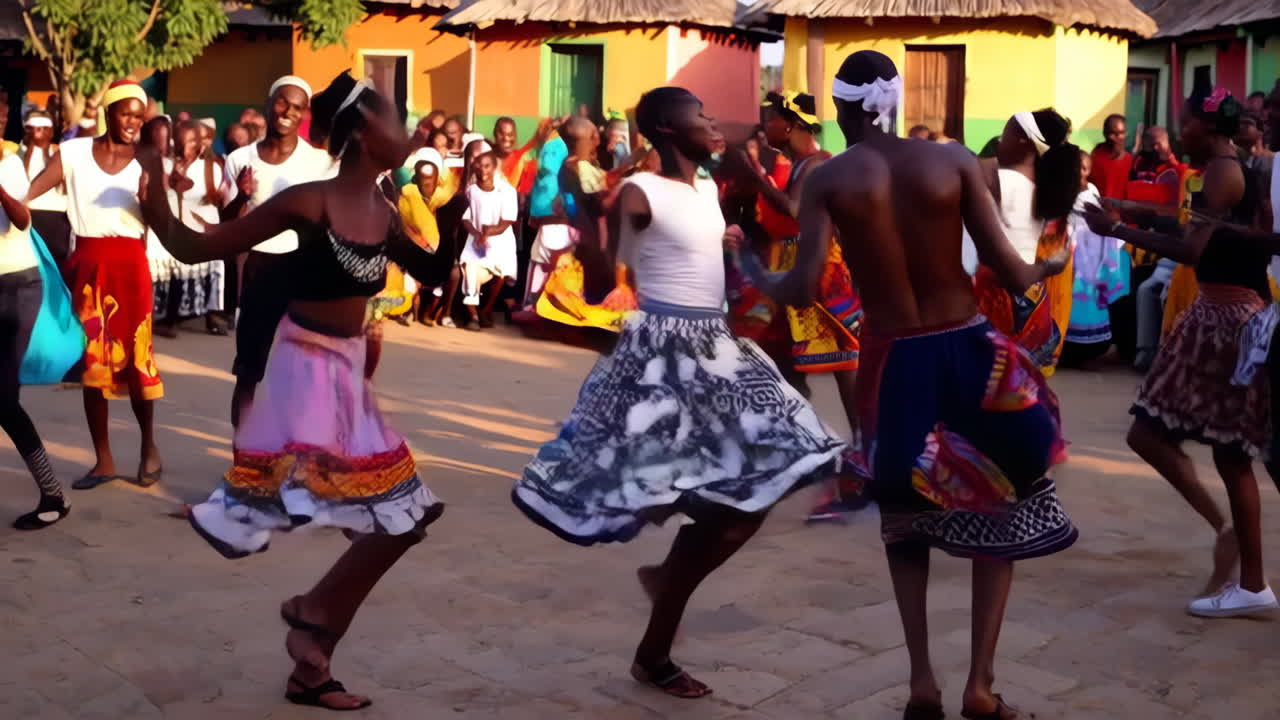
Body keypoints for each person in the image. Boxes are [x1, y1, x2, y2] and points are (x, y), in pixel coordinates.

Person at [743, 51, 1075, 720]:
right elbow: (1012, 274)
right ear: (892, 102)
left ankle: (923, 681)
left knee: (904, 520)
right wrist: (1053, 264)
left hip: (895, 360)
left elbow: (802, 285)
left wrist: (756, 271)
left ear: (837, 108)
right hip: (971, 349)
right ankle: (981, 685)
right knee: (1002, 504)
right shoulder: (950, 160)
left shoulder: (831, 178)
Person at [516, 86, 846, 699]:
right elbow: (601, 275)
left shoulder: (704, 191)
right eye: (702, 116)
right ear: (668, 130)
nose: (714, 122)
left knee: (762, 487)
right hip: (665, 357)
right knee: (711, 496)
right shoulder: (643, 190)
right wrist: (594, 228)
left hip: (715, 348)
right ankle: (658, 638)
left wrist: (729, 248)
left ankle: (666, 591)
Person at [140, 71, 450, 711]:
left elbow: (433, 271)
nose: (409, 130)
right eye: (397, 120)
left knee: (407, 519)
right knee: (400, 516)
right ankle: (299, 603)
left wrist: (461, 212)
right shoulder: (309, 201)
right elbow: (195, 245)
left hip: (345, 374)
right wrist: (154, 194)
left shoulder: (385, 210)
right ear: (366, 134)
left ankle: (312, 651)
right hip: (305, 369)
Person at [1082, 87, 1275, 618]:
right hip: (1222, 315)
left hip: (1226, 318)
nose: (1176, 127)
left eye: (1184, 120)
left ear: (1203, 126)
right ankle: (1241, 559)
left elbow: (1193, 249)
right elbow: (1196, 227)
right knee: (1223, 451)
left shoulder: (1223, 170)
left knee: (1198, 444)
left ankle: (1243, 560)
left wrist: (1117, 227)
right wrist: (1129, 209)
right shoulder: (1223, 168)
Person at [729, 91, 863, 521]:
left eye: (770, 118)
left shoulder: (818, 162)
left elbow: (794, 208)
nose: (764, 125)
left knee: (846, 366)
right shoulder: (806, 163)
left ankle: (862, 465)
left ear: (790, 124)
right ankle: (797, 453)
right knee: (780, 361)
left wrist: (754, 175)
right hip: (796, 266)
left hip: (820, 271)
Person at [25, 80, 165, 490]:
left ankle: (148, 448)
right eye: (127, 114)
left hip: (131, 268)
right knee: (94, 364)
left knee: (139, 360)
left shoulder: (147, 159)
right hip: (87, 265)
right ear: (110, 113)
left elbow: (161, 219)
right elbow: (31, 193)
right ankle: (103, 459)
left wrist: (150, 201)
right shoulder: (72, 153)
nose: (134, 123)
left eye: (140, 116)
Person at [222, 75, 336, 427]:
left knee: (302, 372)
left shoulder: (318, 162)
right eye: (282, 103)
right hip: (258, 269)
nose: (287, 112)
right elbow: (227, 221)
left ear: (305, 115)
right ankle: (242, 459)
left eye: (297, 107)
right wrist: (242, 195)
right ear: (269, 104)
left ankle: (295, 458)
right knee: (249, 371)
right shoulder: (240, 158)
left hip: (302, 271)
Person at [969, 109, 1081, 374]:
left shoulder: (1005, 181)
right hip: (1029, 300)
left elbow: (969, 167)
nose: (999, 141)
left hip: (1000, 297)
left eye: (1005, 132)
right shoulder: (1039, 184)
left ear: (1023, 141)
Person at [1, 134, 71, 529]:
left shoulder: (9, 161)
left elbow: (22, 219)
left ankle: (53, 495)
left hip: (17, 285)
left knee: (4, 399)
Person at [152, 120, 227, 336]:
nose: (186, 149)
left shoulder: (211, 168)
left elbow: (221, 197)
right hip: (174, 229)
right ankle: (169, 319)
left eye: (192, 142)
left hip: (203, 228)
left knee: (209, 271)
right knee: (174, 274)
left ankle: (211, 315)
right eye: (182, 142)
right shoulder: (165, 165)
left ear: (200, 145)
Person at [1062, 149, 1129, 368]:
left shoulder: (1090, 192)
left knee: (1089, 304)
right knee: (1070, 304)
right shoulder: (1065, 192)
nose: (1078, 172)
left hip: (1091, 258)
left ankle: (1089, 353)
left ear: (1089, 170)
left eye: (1083, 168)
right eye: (1074, 167)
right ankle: (1068, 352)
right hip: (1073, 254)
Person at [460, 151, 519, 329]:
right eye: (478, 165)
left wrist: (489, 233)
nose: (482, 169)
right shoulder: (471, 191)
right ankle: (473, 317)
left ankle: (486, 310)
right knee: (469, 269)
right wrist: (478, 235)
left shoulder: (507, 191)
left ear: (494, 167)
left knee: (501, 274)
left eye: (486, 165)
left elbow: (507, 220)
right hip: (476, 241)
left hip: (501, 241)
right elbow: (466, 218)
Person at [20, 110, 71, 268]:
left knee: (56, 266)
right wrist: (30, 150)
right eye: (32, 128)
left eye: (43, 127)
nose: (37, 132)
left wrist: (43, 150)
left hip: (56, 219)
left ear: (50, 131)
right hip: (31, 216)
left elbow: (61, 183)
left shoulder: (59, 153)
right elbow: (22, 184)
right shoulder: (17, 154)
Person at [1090, 113, 1133, 201]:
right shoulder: (1095, 156)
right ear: (1105, 133)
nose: (1117, 138)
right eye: (1112, 133)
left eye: (1121, 133)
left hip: (1120, 211)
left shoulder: (1130, 161)